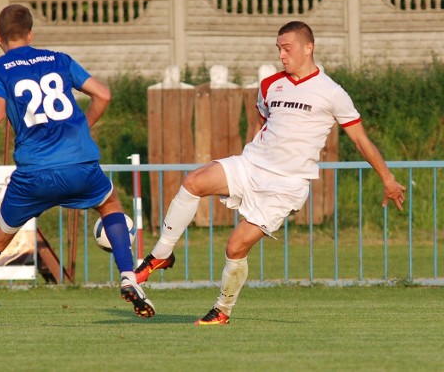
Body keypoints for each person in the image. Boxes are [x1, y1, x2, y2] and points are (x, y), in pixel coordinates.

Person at [134, 21, 406, 325]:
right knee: (193, 180)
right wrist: (251, 150)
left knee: (235, 246)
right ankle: (161, 254)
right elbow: (260, 120)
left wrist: (388, 179)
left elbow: (360, 139)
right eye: (278, 49)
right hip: (251, 166)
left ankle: (222, 310)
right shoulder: (270, 85)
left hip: (286, 185)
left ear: (308, 47)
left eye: (287, 48)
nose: (282, 55)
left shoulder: (332, 93)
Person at [0, 4, 154, 328]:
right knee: (110, 205)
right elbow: (103, 94)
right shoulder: (58, 59)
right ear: (31, 33)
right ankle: (128, 275)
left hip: (34, 173)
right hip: (79, 164)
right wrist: (82, 128)